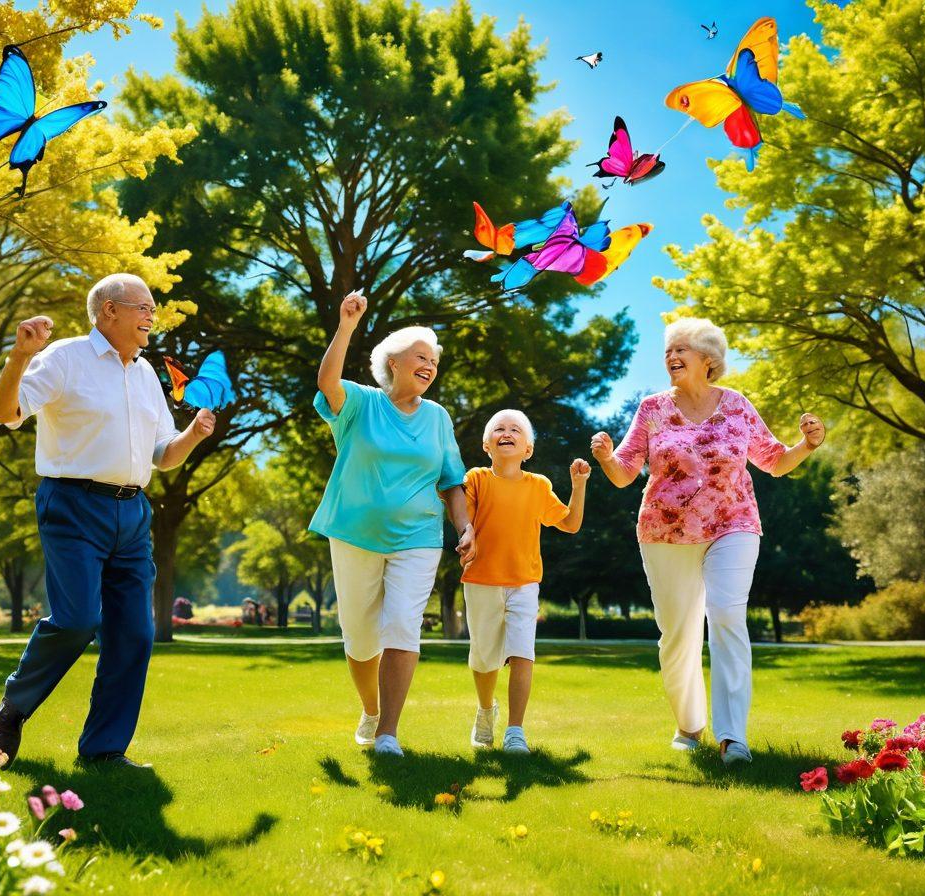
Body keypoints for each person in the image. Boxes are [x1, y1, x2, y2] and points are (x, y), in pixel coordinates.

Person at [0, 273, 216, 769]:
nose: (152, 316)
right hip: (72, 504)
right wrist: (21, 356)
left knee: (135, 633)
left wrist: (194, 434)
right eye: (144, 307)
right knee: (76, 620)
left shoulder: (146, 373)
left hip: (133, 513)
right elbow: (5, 412)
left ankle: (104, 749)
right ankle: (15, 706)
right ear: (109, 310)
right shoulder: (65, 357)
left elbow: (162, 455)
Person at [590, 318, 825, 765]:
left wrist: (807, 445)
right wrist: (605, 456)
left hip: (733, 523)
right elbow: (624, 474)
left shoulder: (736, 406)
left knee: (727, 615)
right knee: (677, 636)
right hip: (665, 531)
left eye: (682, 350)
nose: (672, 357)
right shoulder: (653, 408)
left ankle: (733, 736)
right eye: (668, 352)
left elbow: (773, 461)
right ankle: (689, 723)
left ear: (708, 360)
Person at [310, 290, 474, 757]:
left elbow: (451, 482)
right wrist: (346, 325)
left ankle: (388, 734)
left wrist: (465, 528)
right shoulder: (360, 403)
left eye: (434, 361)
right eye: (420, 356)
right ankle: (371, 708)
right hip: (354, 534)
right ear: (393, 363)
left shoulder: (438, 417)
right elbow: (327, 381)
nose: (429, 365)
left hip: (418, 537)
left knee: (403, 626)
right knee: (360, 636)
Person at [462, 409, 590, 754]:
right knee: (485, 659)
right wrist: (466, 534)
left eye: (515, 429)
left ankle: (515, 731)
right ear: (487, 445)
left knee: (522, 652)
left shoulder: (539, 486)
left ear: (528, 449)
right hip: (481, 580)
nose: (507, 432)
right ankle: (486, 710)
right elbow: (465, 519)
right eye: (499, 429)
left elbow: (570, 524)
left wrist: (578, 486)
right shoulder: (476, 479)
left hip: (524, 582)